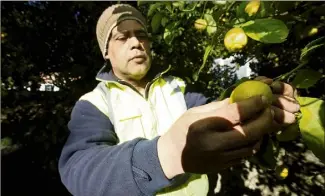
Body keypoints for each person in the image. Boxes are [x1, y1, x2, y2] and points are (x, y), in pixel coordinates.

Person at [58, 4, 300, 196]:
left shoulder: (176, 86)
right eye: (122, 37)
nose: (136, 43)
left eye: (141, 35)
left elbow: (215, 112)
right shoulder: (94, 102)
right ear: (106, 52)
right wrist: (167, 154)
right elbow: (78, 169)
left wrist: (244, 103)